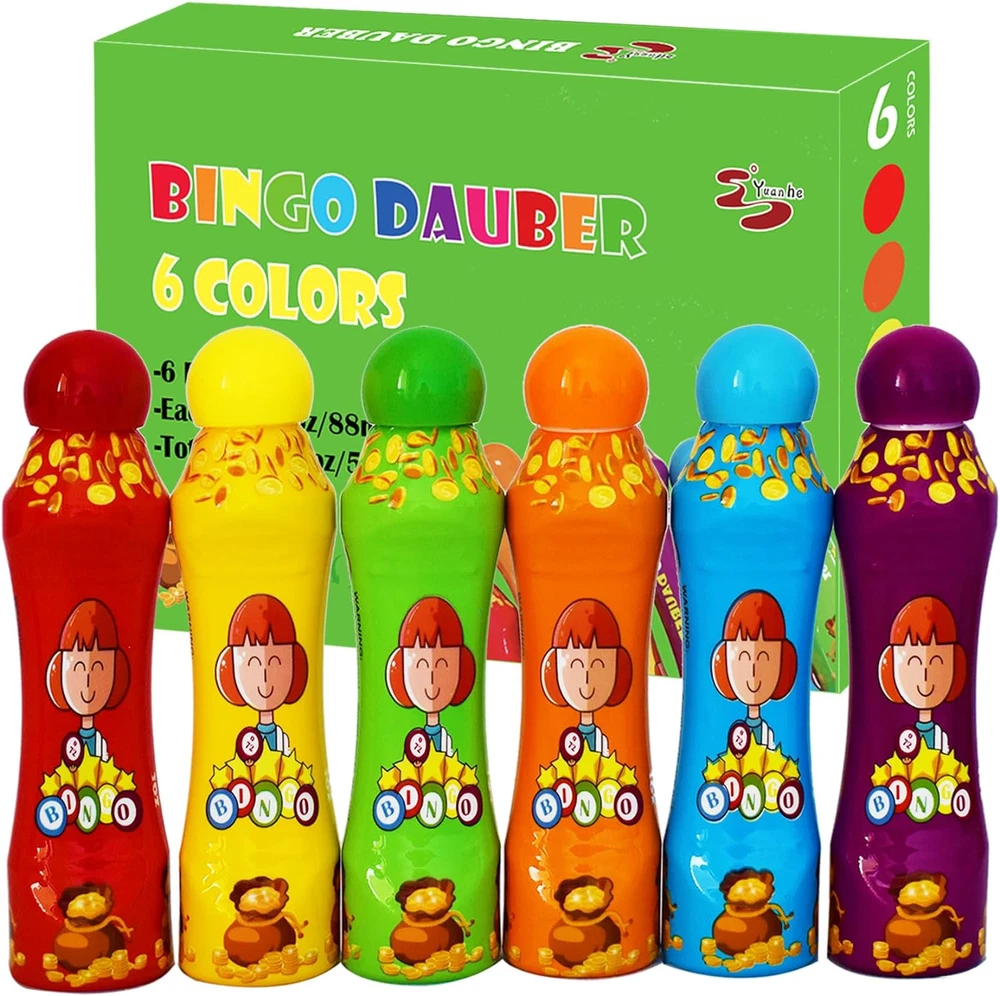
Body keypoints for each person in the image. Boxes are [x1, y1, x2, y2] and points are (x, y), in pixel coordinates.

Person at [216, 594, 308, 755]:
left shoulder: (282, 739)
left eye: (276, 663)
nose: (265, 676)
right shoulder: (247, 740)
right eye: (252, 664)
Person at [541, 599, 632, 757]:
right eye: (575, 666)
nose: (587, 678)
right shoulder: (568, 740)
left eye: (599, 666)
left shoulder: (601, 740)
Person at [386, 597, 476, 755]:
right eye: (421, 665)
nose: (432, 679)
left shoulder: (446, 739)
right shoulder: (415, 740)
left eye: (443, 665)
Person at [46, 599, 130, 762]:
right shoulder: (71, 743)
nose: (87, 681)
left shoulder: (100, 744)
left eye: (98, 669)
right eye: (77, 668)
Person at [879, 596, 966, 753]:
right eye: (913, 663)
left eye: (937, 662)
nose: (925, 675)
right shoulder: (906, 737)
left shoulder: (941, 738)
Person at [712, 590, 797, 749]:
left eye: (765, 659)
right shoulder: (737, 733)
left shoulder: (767, 734)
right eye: (742, 658)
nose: (753, 671)